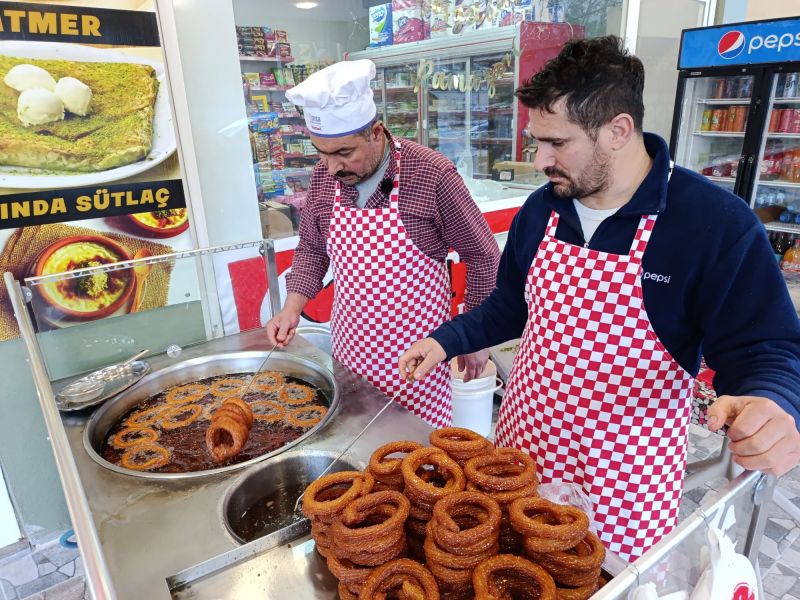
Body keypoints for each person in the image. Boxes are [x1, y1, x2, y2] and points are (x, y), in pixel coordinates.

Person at [399, 36, 800, 561]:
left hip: (623, 481)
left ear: (618, 130)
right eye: (536, 141)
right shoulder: (541, 211)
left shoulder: (714, 225)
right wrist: (446, 340)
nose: (539, 160)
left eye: (557, 143)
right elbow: (511, 305)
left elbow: (764, 348)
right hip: (525, 449)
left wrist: (774, 403)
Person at [266, 59, 501, 427]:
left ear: (376, 132)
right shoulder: (325, 178)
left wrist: (476, 337)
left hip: (420, 362)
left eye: (344, 153)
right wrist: (291, 308)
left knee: (419, 453)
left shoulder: (431, 174)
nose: (332, 167)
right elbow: (312, 248)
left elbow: (483, 256)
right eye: (321, 153)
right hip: (351, 357)